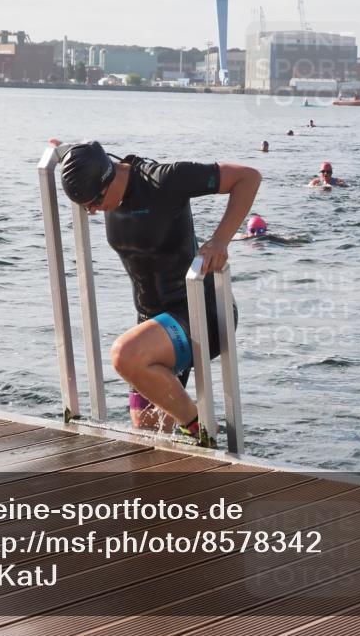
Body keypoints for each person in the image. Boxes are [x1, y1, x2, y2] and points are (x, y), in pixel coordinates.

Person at [55, 139, 261, 446]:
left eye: (95, 202)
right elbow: (83, 153)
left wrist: (220, 241)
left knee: (125, 355)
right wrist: (61, 151)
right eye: (86, 207)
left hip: (201, 314)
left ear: (109, 176)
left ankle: (202, 429)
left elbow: (248, 177)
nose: (94, 212)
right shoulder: (97, 173)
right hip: (154, 325)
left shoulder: (164, 180)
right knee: (146, 438)